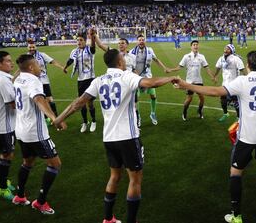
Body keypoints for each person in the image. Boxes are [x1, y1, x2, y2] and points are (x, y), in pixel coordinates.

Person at [174, 51, 256, 223]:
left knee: (236, 172)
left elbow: (216, 91)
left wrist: (187, 85)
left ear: (247, 65)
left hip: (247, 137)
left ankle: (236, 214)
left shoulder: (243, 81)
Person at [54, 49, 176, 223]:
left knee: (114, 176)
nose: (125, 61)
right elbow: (151, 83)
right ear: (120, 62)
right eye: (123, 59)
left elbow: (79, 102)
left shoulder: (98, 80)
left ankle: (108, 218)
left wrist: (59, 119)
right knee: (135, 179)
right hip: (128, 137)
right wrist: (171, 78)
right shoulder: (127, 76)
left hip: (109, 138)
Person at [12, 54, 67, 214]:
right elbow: (38, 100)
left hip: (21, 130)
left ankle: (20, 195)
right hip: (36, 133)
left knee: (27, 163)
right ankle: (40, 202)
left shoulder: (18, 79)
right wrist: (55, 118)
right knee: (55, 164)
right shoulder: (33, 80)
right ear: (30, 67)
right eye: (37, 64)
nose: (40, 66)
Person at [0, 51, 16, 200]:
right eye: (7, 61)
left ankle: (2, 179)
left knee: (5, 153)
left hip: (0, 123)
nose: (11, 63)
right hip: (3, 125)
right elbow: (13, 104)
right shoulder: (4, 80)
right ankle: (2, 187)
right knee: (7, 154)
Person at [166, 40, 215, 120]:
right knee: (189, 99)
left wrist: (212, 77)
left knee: (202, 98)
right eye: (194, 45)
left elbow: (207, 68)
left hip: (199, 81)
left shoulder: (201, 57)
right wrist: (170, 70)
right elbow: (179, 67)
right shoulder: (186, 56)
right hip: (190, 82)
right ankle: (184, 112)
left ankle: (199, 111)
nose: (195, 46)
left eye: (196, 45)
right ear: (191, 46)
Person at [64, 29, 98, 133]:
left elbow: (93, 47)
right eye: (78, 40)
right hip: (80, 80)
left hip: (90, 79)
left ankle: (93, 121)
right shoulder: (74, 51)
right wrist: (65, 67)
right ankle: (84, 122)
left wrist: (92, 37)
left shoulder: (89, 49)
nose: (79, 42)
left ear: (85, 41)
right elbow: (70, 60)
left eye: (81, 40)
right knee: (81, 103)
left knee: (90, 103)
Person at [129, 34, 169, 126]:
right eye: (139, 40)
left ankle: (153, 114)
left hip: (148, 78)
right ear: (137, 41)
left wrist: (164, 68)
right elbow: (130, 65)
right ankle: (138, 116)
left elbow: (156, 60)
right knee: (136, 99)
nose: (141, 41)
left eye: (143, 39)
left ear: (145, 41)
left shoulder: (150, 50)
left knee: (153, 96)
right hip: (137, 79)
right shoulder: (132, 52)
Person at [27, 40, 66, 122]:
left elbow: (53, 61)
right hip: (32, 83)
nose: (31, 48)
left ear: (36, 47)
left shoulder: (42, 55)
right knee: (39, 101)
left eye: (33, 47)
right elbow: (21, 69)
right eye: (30, 47)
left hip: (44, 81)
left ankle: (56, 118)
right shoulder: (26, 57)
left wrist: (62, 67)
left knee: (50, 100)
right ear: (28, 47)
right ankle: (45, 118)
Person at [213, 44, 244, 122]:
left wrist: (247, 79)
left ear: (232, 51)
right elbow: (218, 67)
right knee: (223, 99)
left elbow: (242, 70)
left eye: (228, 49)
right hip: (225, 83)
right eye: (225, 48)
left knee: (236, 101)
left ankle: (238, 117)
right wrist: (215, 76)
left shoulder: (236, 59)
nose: (225, 50)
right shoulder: (221, 58)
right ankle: (225, 113)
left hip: (234, 84)